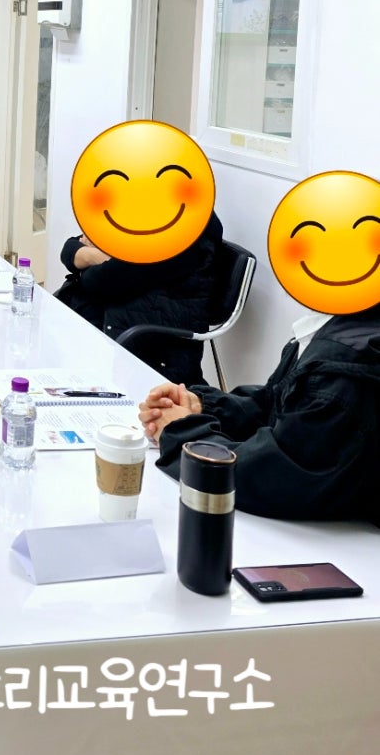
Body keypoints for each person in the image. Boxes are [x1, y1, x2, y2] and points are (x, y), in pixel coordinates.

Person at [138, 302, 380, 523]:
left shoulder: (347, 361)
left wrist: (182, 432)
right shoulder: (342, 328)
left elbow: (279, 478)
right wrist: (204, 406)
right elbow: (275, 405)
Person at [55, 212, 224, 383]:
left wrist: (93, 259)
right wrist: (101, 256)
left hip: (152, 353)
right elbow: (69, 249)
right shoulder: (142, 213)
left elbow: (101, 280)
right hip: (107, 330)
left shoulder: (187, 229)